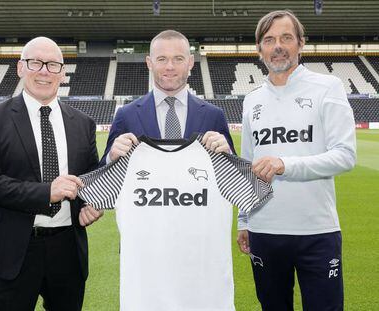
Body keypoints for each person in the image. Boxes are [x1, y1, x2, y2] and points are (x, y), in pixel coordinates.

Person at [0, 37, 102, 311]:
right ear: (20, 68)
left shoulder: (83, 123)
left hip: (67, 250)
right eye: (35, 63)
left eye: (53, 65)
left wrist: (92, 205)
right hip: (10, 248)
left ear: (62, 73)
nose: (44, 71)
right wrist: (46, 192)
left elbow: (91, 180)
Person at [237, 10, 356, 311]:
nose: (278, 46)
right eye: (269, 39)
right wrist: (243, 221)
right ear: (259, 49)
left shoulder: (328, 87)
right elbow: (247, 165)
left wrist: (285, 165)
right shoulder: (251, 100)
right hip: (264, 231)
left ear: (301, 44)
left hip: (316, 231)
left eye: (286, 38)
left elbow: (345, 155)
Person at [100, 29, 235, 166]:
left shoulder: (214, 115)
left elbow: (235, 175)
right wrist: (111, 157)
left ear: (190, 62)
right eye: (162, 59)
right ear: (149, 63)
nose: (170, 67)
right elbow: (100, 174)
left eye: (178, 59)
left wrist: (228, 153)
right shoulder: (126, 115)